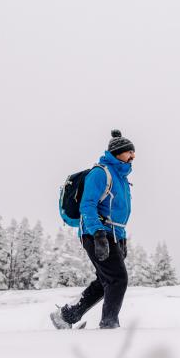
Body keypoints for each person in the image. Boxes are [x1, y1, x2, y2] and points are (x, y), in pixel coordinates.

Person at [50, 129, 135, 330]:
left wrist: (121, 240)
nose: (133, 156)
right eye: (129, 152)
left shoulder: (121, 178)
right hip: (95, 233)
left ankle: (65, 316)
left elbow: (117, 215)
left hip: (112, 234)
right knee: (117, 279)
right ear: (117, 153)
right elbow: (87, 205)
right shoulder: (100, 173)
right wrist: (98, 234)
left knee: (105, 281)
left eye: (133, 152)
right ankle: (109, 325)